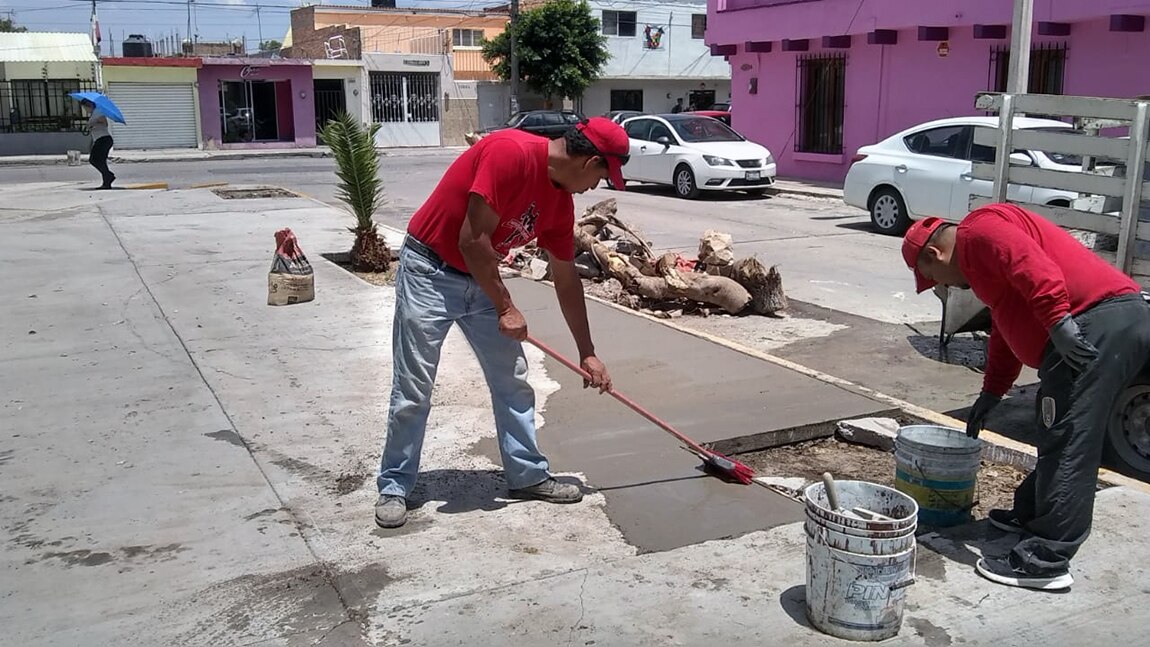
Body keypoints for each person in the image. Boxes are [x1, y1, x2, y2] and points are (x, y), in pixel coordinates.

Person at [375, 117, 631, 529]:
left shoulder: (560, 205)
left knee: (512, 380)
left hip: (482, 280)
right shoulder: (510, 152)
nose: (595, 189)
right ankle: (394, 485)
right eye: (603, 176)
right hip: (430, 270)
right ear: (590, 161)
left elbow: (566, 280)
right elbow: (471, 240)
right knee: (414, 386)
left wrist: (588, 353)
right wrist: (506, 307)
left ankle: (527, 475)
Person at [902, 202, 1150, 591]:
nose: (945, 287)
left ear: (934, 254)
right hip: (1098, 323)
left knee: (1068, 439)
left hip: (1093, 323)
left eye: (935, 280)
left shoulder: (979, 231)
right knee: (1057, 433)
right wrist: (992, 391)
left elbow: (1033, 265)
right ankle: (1031, 515)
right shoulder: (982, 266)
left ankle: (1046, 558)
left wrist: (1059, 323)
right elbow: (1005, 326)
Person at [81, 99, 116, 189]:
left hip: (104, 139)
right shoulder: (93, 114)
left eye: (85, 108)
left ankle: (108, 176)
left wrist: (93, 123)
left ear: (89, 105)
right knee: (101, 161)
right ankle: (107, 181)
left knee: (94, 160)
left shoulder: (98, 112)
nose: (85, 110)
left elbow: (104, 123)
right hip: (100, 140)